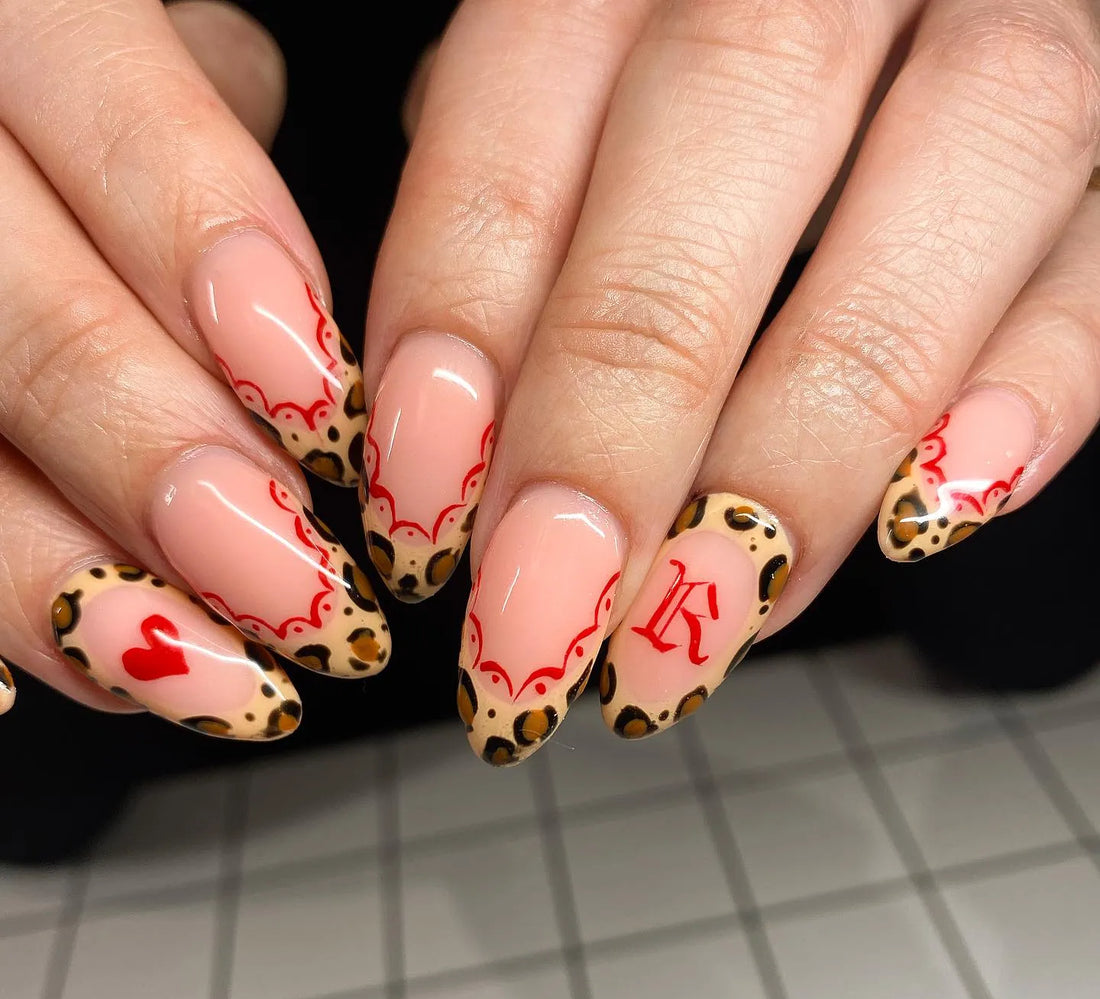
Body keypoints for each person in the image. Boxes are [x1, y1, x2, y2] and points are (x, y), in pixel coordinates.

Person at [0, 0, 1096, 850]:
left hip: (837, 717)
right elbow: (41, 809)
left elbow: (1022, 631)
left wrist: (1039, 86)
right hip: (199, 809)